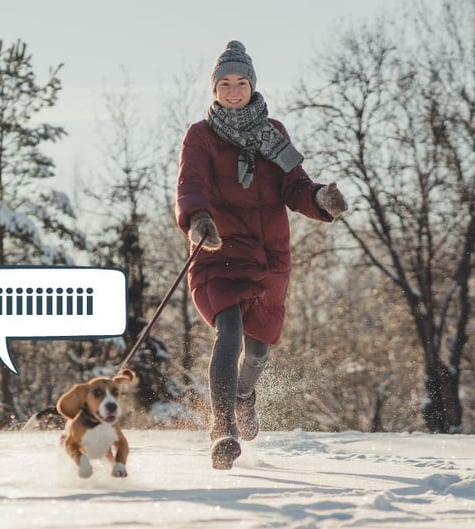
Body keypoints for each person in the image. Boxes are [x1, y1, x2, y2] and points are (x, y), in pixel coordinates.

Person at [175, 40, 348, 470]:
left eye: (241, 82)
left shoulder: (274, 133)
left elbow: (295, 186)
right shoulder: (200, 135)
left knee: (257, 350)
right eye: (225, 83)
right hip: (218, 248)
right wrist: (198, 219)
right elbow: (190, 184)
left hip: (268, 256)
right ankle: (223, 428)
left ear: (252, 85)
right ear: (214, 90)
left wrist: (320, 199)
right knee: (228, 330)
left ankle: (245, 395)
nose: (234, 90)